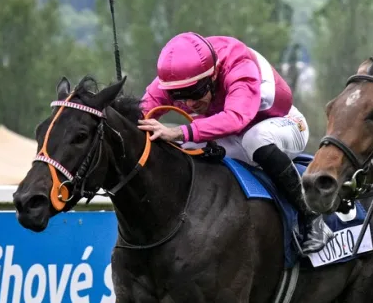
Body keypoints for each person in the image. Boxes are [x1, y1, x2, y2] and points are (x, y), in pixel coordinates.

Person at [137, 32, 332, 254]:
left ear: (212, 75)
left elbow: (236, 118)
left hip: (282, 124)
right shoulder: (177, 76)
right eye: (179, 97)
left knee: (254, 139)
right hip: (231, 135)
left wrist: (179, 132)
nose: (190, 103)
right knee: (181, 150)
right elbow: (143, 114)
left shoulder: (237, 64)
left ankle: (311, 215)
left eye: (196, 93)